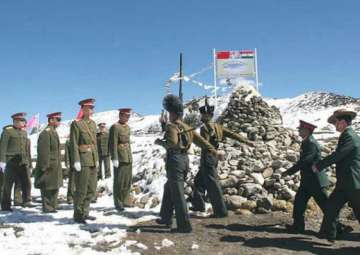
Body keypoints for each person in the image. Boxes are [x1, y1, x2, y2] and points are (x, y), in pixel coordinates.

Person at [155, 94, 219, 233]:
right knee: (169, 187)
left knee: (177, 193)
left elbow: (172, 143)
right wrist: (214, 150)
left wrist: (160, 142)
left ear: (172, 113)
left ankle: (183, 225)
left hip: (175, 161)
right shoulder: (186, 126)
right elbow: (202, 142)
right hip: (185, 161)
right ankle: (165, 217)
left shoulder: (172, 126)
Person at [191, 99, 254, 218]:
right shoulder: (218, 127)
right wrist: (246, 141)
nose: (201, 117)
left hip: (208, 157)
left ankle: (220, 211)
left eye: (203, 115)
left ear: (207, 115)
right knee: (198, 181)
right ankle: (198, 206)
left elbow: (205, 143)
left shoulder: (204, 128)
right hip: (213, 158)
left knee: (213, 185)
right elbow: (232, 134)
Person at [313, 109, 360, 242]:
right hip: (345, 183)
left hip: (353, 182)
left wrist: (319, 165)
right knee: (331, 207)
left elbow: (339, 155)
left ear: (343, 122)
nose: (334, 125)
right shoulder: (347, 135)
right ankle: (331, 234)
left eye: (336, 122)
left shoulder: (350, 136)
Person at [282, 120, 330, 233]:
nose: (299, 131)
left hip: (316, 181)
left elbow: (305, 161)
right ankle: (298, 226)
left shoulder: (311, 143)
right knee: (299, 203)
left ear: (307, 131)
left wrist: (289, 171)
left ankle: (338, 227)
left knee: (326, 206)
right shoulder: (307, 141)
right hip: (308, 181)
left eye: (301, 129)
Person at [70, 98, 99, 224]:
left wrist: (96, 159)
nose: (92, 110)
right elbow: (74, 143)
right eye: (90, 107)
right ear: (83, 109)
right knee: (81, 189)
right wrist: (76, 160)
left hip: (92, 159)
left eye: (93, 107)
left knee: (91, 188)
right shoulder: (77, 124)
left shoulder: (93, 124)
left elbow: (95, 144)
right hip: (82, 159)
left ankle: (85, 211)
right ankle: (78, 214)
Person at [0, 113, 32, 210]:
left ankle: (20, 201)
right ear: (16, 121)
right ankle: (5, 205)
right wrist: (2, 161)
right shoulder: (8, 131)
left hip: (22, 162)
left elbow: (26, 149)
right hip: (10, 161)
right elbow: (2, 147)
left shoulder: (24, 132)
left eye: (24, 121)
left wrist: (28, 162)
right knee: (7, 184)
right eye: (22, 121)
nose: (24, 123)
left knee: (22, 182)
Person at [34, 112, 63, 213]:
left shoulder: (53, 132)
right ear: (51, 120)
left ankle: (53, 206)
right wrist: (44, 166)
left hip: (55, 165)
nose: (60, 122)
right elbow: (43, 151)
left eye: (60, 119)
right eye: (58, 120)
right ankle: (47, 208)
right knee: (47, 187)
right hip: (48, 165)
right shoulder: (46, 133)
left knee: (55, 186)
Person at [109, 109, 133, 211]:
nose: (128, 118)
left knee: (127, 180)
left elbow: (128, 143)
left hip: (127, 156)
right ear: (120, 115)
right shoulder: (115, 127)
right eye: (126, 116)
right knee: (119, 181)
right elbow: (112, 143)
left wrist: (130, 156)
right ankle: (118, 203)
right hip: (120, 157)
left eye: (129, 116)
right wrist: (114, 157)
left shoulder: (127, 127)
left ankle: (126, 200)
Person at [65, 137, 75, 204]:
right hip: (73, 163)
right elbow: (67, 154)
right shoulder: (69, 141)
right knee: (72, 181)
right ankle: (70, 197)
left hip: (83, 162)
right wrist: (67, 162)